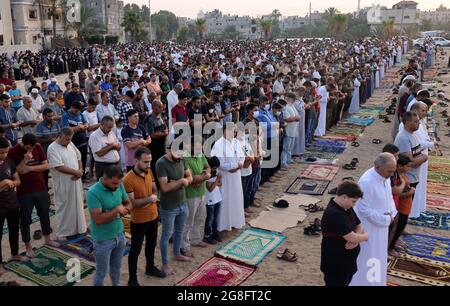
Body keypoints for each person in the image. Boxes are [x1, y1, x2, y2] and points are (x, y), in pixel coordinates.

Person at [7, 133, 59, 258]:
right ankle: (28, 247)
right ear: (22, 144)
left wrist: (30, 169)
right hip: (24, 192)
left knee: (45, 214)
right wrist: (25, 160)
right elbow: (15, 171)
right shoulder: (13, 152)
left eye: (32, 147)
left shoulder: (38, 147)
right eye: (28, 148)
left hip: (40, 187)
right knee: (25, 219)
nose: (30, 150)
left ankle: (47, 239)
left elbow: (46, 165)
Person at [350, 153, 398, 286]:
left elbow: (389, 197)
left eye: (393, 170)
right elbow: (363, 209)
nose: (392, 174)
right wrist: (385, 220)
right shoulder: (366, 182)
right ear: (377, 167)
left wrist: (392, 213)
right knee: (369, 258)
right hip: (369, 229)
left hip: (382, 227)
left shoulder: (385, 176)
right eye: (390, 171)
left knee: (378, 257)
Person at [124, 147, 166, 286]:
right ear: (136, 160)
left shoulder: (149, 172)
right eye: (145, 162)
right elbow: (133, 203)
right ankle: (132, 279)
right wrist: (149, 199)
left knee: (151, 245)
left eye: (150, 161)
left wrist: (151, 198)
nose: (148, 165)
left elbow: (154, 188)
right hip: (139, 220)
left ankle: (150, 268)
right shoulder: (128, 179)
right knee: (135, 250)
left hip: (153, 216)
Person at [87, 165, 131, 286]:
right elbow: (98, 220)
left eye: (119, 183)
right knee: (102, 272)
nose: (117, 187)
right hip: (103, 239)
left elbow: (128, 204)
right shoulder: (93, 192)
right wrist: (117, 210)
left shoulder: (119, 184)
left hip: (119, 235)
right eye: (114, 184)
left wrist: (122, 210)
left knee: (116, 268)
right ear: (104, 179)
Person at [156, 140, 193, 276]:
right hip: (169, 206)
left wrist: (178, 182)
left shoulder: (182, 159)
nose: (181, 157)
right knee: (166, 234)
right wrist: (182, 181)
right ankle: (165, 263)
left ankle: (177, 253)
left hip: (182, 202)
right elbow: (165, 188)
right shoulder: (161, 163)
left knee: (180, 230)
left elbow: (189, 177)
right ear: (170, 150)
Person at [320, 181, 368, 286]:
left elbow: (359, 225)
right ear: (344, 197)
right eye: (353, 201)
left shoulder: (346, 207)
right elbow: (351, 237)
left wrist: (356, 240)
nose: (354, 204)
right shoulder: (335, 214)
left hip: (346, 263)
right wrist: (364, 236)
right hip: (336, 264)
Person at [47, 127, 87, 240]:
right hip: (63, 182)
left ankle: (78, 229)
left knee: (78, 204)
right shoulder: (52, 148)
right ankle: (63, 233)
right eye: (66, 139)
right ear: (60, 136)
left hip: (76, 180)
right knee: (64, 206)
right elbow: (58, 166)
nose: (68, 141)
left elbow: (79, 156)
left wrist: (80, 170)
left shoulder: (70, 144)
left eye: (70, 139)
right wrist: (76, 172)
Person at [0, 136, 28, 276]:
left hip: (12, 203)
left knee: (14, 230)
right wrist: (5, 182)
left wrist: (11, 182)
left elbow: (17, 180)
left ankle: (15, 254)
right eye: (1, 152)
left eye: (5, 152)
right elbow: (7, 182)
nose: (4, 155)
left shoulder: (9, 162)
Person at [211, 124, 245, 232]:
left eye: (234, 131)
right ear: (225, 130)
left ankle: (235, 221)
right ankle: (223, 225)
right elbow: (219, 163)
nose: (233, 133)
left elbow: (242, 156)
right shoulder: (219, 144)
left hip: (236, 175)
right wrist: (233, 167)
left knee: (236, 198)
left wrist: (239, 164)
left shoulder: (236, 142)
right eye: (231, 131)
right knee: (225, 199)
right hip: (225, 176)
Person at [181, 138, 211, 257]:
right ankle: (184, 246)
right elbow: (192, 179)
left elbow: (208, 167)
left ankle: (195, 239)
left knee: (200, 217)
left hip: (201, 192)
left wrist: (203, 175)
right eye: (198, 147)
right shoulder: (185, 158)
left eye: (201, 147)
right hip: (190, 195)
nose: (200, 149)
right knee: (188, 221)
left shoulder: (200, 155)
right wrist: (205, 176)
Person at [394, 112, 427, 201]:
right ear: (408, 123)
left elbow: (416, 155)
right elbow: (410, 162)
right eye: (416, 121)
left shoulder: (413, 134)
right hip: (407, 179)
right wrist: (424, 157)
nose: (419, 123)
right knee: (404, 210)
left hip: (413, 177)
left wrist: (420, 157)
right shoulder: (403, 138)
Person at [388, 154, 415, 257]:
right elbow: (398, 194)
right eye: (407, 166)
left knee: (399, 228)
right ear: (399, 166)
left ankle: (393, 244)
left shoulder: (401, 176)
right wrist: (410, 192)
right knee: (396, 229)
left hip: (405, 207)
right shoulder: (397, 178)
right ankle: (390, 248)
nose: (409, 168)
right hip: (400, 207)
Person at [61, 101, 89, 181]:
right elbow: (65, 129)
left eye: (78, 111)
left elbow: (86, 122)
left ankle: (83, 176)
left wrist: (85, 125)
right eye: (76, 111)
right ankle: (76, 175)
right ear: (72, 107)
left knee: (83, 159)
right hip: (73, 143)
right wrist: (79, 128)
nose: (77, 112)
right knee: (75, 160)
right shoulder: (65, 116)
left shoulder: (80, 114)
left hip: (83, 141)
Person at [89, 116, 121, 180]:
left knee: (115, 187)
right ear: (102, 124)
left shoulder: (111, 133)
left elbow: (119, 147)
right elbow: (99, 153)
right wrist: (112, 146)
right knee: (104, 188)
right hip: (103, 166)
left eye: (111, 127)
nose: (110, 129)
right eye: (109, 127)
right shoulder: (94, 136)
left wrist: (114, 146)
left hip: (115, 165)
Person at [146, 100, 168, 187]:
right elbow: (151, 135)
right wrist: (163, 133)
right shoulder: (149, 119)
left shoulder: (161, 116)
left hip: (162, 147)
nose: (162, 108)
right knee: (155, 166)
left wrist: (165, 132)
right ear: (154, 107)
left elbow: (165, 128)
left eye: (162, 106)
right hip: (154, 148)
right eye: (160, 106)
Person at [203, 156, 222, 244]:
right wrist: (217, 180)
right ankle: (207, 236)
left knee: (216, 217)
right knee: (210, 218)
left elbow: (220, 184)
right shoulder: (208, 172)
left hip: (217, 197)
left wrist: (216, 182)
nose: (215, 169)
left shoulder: (215, 171)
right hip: (210, 199)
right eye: (214, 167)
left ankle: (214, 232)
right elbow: (210, 188)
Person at [281, 93, 300, 170]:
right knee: (286, 147)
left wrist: (296, 117)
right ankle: (283, 162)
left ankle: (289, 159)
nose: (293, 100)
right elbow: (287, 118)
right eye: (292, 99)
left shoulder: (292, 106)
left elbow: (298, 115)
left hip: (294, 129)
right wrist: (295, 118)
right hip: (288, 129)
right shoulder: (285, 107)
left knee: (290, 146)